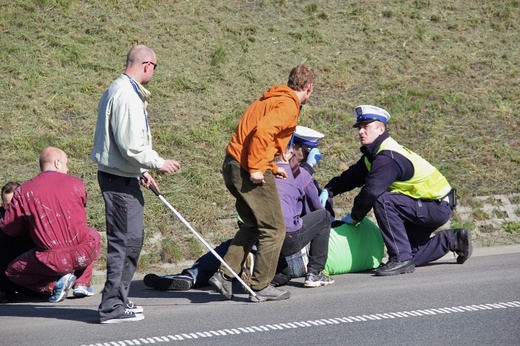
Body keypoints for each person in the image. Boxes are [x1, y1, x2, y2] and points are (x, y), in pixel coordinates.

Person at [145, 127, 335, 291]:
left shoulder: (263, 170)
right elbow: (315, 211)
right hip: (284, 238)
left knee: (233, 246)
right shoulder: (300, 173)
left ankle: (193, 276)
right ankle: (312, 274)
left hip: (258, 232)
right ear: (300, 150)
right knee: (320, 222)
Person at [208, 65, 316, 303]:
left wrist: (273, 166)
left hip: (233, 163)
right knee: (275, 228)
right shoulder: (288, 105)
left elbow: (260, 137)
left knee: (253, 225)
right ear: (309, 88)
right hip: (248, 166)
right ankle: (260, 285)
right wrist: (258, 167)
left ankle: (224, 275)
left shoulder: (273, 98)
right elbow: (263, 133)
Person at [323, 105, 472, 276]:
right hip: (427, 205)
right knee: (412, 253)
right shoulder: (375, 155)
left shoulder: (387, 157)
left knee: (383, 199)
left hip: (436, 206)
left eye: (366, 127)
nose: (360, 132)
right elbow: (352, 176)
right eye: (359, 127)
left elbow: (371, 192)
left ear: (381, 129)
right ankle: (454, 239)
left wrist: (354, 218)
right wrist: (329, 190)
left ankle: (399, 259)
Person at [91, 45, 181, 323]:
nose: (154, 71)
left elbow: (120, 144)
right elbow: (130, 145)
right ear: (146, 65)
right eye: (155, 66)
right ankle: (111, 308)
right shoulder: (126, 95)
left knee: (132, 241)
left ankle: (120, 298)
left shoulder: (122, 91)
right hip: (117, 182)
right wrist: (157, 162)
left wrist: (140, 171)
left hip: (124, 176)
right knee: (123, 243)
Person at [1, 147, 101, 302]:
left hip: (50, 260)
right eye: (66, 164)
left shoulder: (24, 191)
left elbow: (10, 227)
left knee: (12, 272)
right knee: (93, 235)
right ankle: (82, 282)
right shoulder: (77, 184)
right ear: (57, 163)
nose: (67, 169)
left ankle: (55, 285)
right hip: (83, 253)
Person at [0, 182, 39, 303]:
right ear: (3, 205)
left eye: (15, 204)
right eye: (8, 206)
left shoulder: (35, 214)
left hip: (30, 267)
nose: (13, 209)